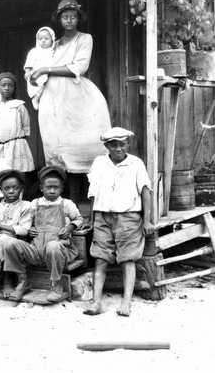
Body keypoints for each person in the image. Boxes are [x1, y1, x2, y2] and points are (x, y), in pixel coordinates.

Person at [30, 0, 112, 204]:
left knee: (81, 145)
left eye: (72, 16)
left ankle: (92, 200)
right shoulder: (52, 44)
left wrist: (46, 69)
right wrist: (32, 73)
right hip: (53, 99)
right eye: (65, 17)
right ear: (59, 19)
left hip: (76, 96)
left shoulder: (84, 39)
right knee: (58, 146)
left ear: (78, 18)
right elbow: (35, 63)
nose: (69, 20)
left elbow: (79, 67)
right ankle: (67, 202)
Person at [82, 127, 155, 317]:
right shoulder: (99, 163)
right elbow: (93, 192)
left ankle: (126, 302)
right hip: (103, 216)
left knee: (127, 259)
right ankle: (96, 302)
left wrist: (146, 221)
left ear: (127, 144)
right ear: (107, 146)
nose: (118, 149)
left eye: (122, 144)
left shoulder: (136, 163)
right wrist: (92, 218)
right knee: (100, 258)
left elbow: (145, 191)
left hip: (128, 217)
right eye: (113, 145)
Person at [0, 166, 83, 303]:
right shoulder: (35, 204)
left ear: (62, 188)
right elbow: (25, 223)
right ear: (41, 188)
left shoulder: (66, 204)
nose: (52, 191)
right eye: (48, 187)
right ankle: (23, 280)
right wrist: (31, 228)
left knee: (52, 246)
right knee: (9, 243)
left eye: (56, 187)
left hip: (59, 251)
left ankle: (56, 284)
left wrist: (69, 228)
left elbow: (79, 219)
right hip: (37, 250)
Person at [0, 169, 32, 297]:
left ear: (21, 189)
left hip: (16, 242)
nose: (11, 191)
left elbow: (24, 229)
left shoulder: (26, 205)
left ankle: (7, 279)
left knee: (2, 240)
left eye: (15, 188)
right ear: (1, 190)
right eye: (7, 188)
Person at [0, 72, 35, 173]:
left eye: (10, 86)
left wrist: (16, 141)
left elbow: (26, 126)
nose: (7, 88)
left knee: (17, 171)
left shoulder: (19, 106)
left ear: (14, 88)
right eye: (3, 85)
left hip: (16, 146)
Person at [23, 26, 56, 110]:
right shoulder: (35, 51)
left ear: (52, 39)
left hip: (49, 73)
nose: (43, 41)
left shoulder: (53, 52)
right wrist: (27, 71)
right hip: (36, 74)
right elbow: (29, 61)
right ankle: (35, 99)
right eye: (40, 39)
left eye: (46, 38)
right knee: (40, 85)